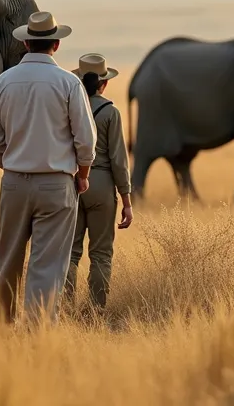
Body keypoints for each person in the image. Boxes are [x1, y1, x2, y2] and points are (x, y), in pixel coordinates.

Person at [0, 11, 96, 324]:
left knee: (8, 260)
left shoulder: (3, 82)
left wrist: (13, 165)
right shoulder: (69, 83)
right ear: (56, 45)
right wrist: (82, 176)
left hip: (15, 183)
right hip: (57, 184)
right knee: (47, 264)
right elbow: (86, 141)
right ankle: (38, 330)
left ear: (26, 42)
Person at [64, 53, 134, 313]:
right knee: (101, 254)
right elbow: (119, 160)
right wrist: (126, 201)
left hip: (71, 181)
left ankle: (64, 308)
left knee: (70, 252)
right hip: (103, 183)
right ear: (103, 84)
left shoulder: (69, 106)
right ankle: (95, 310)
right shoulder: (111, 112)